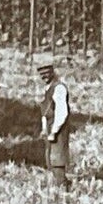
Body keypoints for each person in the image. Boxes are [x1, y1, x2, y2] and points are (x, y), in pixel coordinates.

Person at [38, 55, 72, 190]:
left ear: (52, 71)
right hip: (50, 127)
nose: (44, 76)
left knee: (57, 157)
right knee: (49, 157)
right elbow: (45, 111)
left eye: (46, 72)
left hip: (58, 128)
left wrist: (54, 131)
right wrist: (44, 128)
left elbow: (62, 112)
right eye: (41, 73)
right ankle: (59, 184)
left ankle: (63, 186)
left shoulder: (59, 88)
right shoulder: (48, 88)